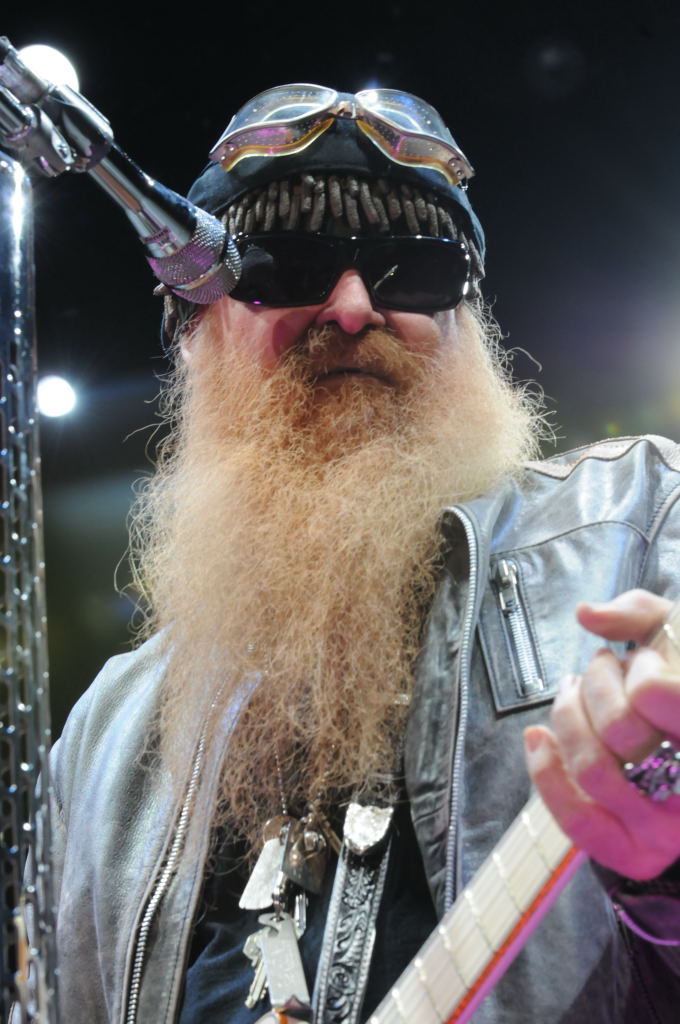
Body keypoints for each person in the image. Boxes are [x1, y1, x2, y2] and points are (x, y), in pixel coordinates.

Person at [46, 85, 680, 1023]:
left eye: (412, 272)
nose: (351, 308)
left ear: (465, 327)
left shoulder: (639, 526)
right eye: (285, 267)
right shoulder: (103, 739)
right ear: (193, 329)